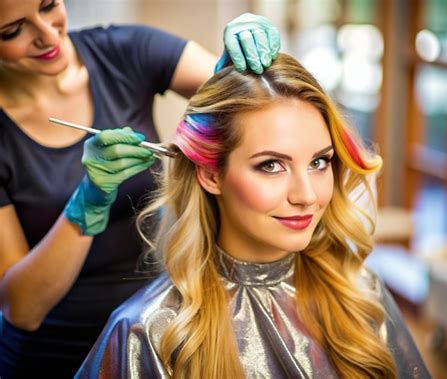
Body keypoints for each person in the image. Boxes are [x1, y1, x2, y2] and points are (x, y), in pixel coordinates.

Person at [75, 53, 431, 378]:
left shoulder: (359, 293)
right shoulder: (150, 331)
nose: (307, 196)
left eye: (319, 162)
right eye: (272, 165)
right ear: (211, 175)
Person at [0, 0, 280, 377]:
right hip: (49, 357)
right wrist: (87, 203)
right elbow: (21, 308)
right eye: (13, 31)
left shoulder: (125, 49)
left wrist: (233, 69)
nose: (48, 35)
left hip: (153, 333)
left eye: (49, 5)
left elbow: (244, 103)